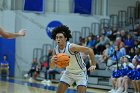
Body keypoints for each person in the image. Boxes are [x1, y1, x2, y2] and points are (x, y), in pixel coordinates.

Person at [50, 25, 96, 93]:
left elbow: (90, 50)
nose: (58, 39)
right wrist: (52, 61)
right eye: (56, 37)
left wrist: (93, 64)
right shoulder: (55, 50)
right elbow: (52, 67)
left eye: (60, 37)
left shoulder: (72, 47)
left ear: (65, 38)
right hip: (68, 72)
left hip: (80, 73)